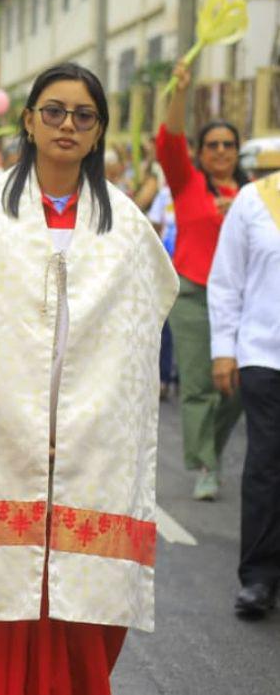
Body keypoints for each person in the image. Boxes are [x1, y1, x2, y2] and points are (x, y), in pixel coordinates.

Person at [0, 62, 177, 695]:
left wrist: (85, 419)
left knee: (83, 627)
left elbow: (141, 332)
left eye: (83, 115)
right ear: (28, 121)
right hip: (2, 447)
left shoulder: (130, 233)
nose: (66, 125)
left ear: (98, 131)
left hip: (91, 454)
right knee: (3, 612)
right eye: (53, 111)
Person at [157, 58, 248, 500]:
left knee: (237, 388)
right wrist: (179, 90)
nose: (219, 151)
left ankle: (211, 447)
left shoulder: (254, 196)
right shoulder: (187, 182)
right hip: (193, 295)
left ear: (237, 149)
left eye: (227, 144)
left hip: (244, 303)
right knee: (199, 386)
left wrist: (240, 216)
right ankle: (207, 466)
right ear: (201, 151)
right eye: (211, 144)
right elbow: (169, 140)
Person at [208, 150, 280, 620]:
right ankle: (258, 577)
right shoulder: (256, 200)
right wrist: (224, 349)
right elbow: (227, 279)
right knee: (265, 467)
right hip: (264, 355)